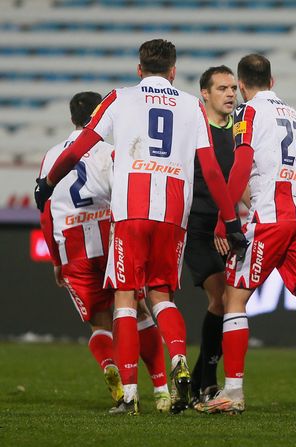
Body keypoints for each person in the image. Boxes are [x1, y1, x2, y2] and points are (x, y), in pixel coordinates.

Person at [34, 39, 245, 415]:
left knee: (126, 298)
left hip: (131, 209)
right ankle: (178, 358)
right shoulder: (192, 106)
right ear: (173, 71)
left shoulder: (120, 98)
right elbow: (211, 169)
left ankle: (130, 395)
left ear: (139, 69)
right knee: (161, 293)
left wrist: (48, 182)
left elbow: (81, 146)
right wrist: (230, 220)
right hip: (174, 211)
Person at [200, 54, 296, 419]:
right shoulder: (291, 115)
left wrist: (226, 220)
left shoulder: (247, 114)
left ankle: (233, 392)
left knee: (233, 298)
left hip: (271, 216)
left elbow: (241, 165)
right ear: (272, 81)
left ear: (241, 86)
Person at [38, 92, 170, 412]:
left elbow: (45, 211)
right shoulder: (111, 152)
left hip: (71, 244)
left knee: (99, 324)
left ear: (71, 119)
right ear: (101, 114)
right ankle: (161, 387)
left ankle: (114, 372)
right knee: (135, 310)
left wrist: (57, 260)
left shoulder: (52, 155)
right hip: (109, 234)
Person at [185, 65, 239, 406]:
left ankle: (197, 381)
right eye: (222, 88)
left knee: (227, 303)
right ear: (205, 93)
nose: (230, 93)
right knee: (221, 298)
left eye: (233, 87)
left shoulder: (240, 129)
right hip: (195, 225)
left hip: (226, 226)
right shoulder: (191, 126)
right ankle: (207, 383)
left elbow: (240, 180)